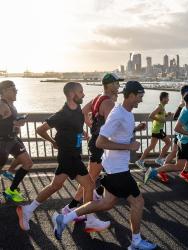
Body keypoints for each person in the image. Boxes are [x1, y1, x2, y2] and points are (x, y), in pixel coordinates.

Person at [52, 81, 156, 249]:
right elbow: (100, 142)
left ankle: (64, 218)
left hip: (117, 167)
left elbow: (119, 134)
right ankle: (136, 242)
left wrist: (136, 130)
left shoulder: (128, 114)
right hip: (117, 169)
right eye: (139, 96)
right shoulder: (117, 114)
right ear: (129, 95)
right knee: (138, 202)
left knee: (106, 203)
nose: (141, 100)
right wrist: (129, 146)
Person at [16, 82, 109, 232]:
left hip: (71, 156)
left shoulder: (78, 110)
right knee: (89, 185)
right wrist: (53, 141)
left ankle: (28, 209)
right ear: (72, 95)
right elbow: (40, 129)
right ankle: (90, 220)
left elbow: (76, 125)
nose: (83, 95)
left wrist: (81, 133)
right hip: (69, 157)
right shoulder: (62, 114)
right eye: (81, 92)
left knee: (55, 186)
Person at [62, 73, 122, 217]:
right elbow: (111, 127)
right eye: (116, 83)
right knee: (91, 178)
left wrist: (90, 124)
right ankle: (71, 207)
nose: (118, 86)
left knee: (97, 175)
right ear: (109, 85)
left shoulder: (97, 98)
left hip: (96, 141)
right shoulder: (108, 102)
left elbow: (83, 112)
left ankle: (96, 194)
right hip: (101, 144)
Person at [144, 92, 188, 197]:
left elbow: (186, 126)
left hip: (184, 142)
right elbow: (176, 128)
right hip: (187, 144)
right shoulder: (186, 112)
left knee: (178, 166)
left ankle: (153, 171)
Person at [0, 80, 33, 202]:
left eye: (16, 90)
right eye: (13, 90)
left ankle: (11, 191)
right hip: (2, 143)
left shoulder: (11, 105)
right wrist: (14, 122)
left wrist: (17, 124)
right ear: (3, 91)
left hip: (12, 140)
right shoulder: (2, 105)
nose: (16, 92)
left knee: (28, 163)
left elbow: (10, 124)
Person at [163, 85, 188, 184]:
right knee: (182, 155)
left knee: (176, 152)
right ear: (185, 93)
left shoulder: (186, 103)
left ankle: (182, 171)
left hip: (183, 134)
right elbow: (176, 117)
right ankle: (162, 170)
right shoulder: (182, 104)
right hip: (181, 134)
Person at [135, 92, 172, 170]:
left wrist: (166, 115)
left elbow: (160, 115)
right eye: (167, 98)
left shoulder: (162, 107)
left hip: (157, 129)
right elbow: (151, 115)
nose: (168, 99)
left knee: (152, 146)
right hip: (158, 130)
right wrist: (161, 119)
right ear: (163, 98)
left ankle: (141, 160)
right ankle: (159, 159)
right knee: (168, 143)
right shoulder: (160, 107)